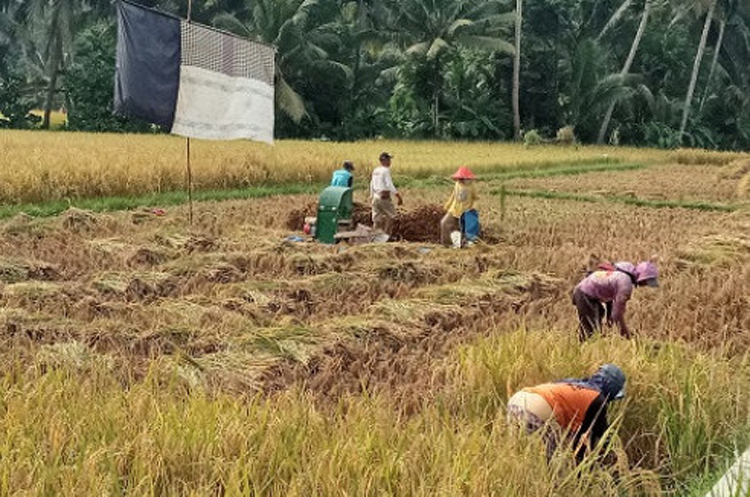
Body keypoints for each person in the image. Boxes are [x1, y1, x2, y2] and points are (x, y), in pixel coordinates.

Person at [506, 364, 627, 462]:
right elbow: (588, 441)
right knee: (554, 465)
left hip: (517, 401)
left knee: (519, 456)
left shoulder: (573, 384)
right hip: (538, 408)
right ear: (611, 388)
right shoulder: (597, 399)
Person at [572, 261, 658, 341]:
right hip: (585, 294)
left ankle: (581, 346)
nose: (645, 285)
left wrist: (610, 318)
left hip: (585, 290)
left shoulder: (623, 269)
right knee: (591, 329)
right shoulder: (625, 285)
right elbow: (617, 315)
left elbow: (608, 290)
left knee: (596, 318)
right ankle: (582, 350)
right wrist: (626, 334)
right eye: (646, 282)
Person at [440, 166, 478, 247]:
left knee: (467, 228)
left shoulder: (472, 187)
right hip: (454, 209)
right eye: (462, 178)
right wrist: (448, 204)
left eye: (466, 178)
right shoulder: (457, 184)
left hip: (466, 210)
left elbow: (476, 198)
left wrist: (473, 207)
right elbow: (453, 195)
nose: (464, 180)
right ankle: (447, 244)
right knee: (444, 223)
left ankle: (466, 244)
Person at [369, 152, 402, 235]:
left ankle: (375, 238)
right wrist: (398, 196)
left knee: (377, 219)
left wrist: (371, 195)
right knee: (392, 216)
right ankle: (386, 236)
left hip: (376, 197)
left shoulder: (376, 170)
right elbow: (389, 184)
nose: (390, 162)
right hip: (384, 197)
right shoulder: (386, 171)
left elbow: (372, 183)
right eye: (389, 160)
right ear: (385, 160)